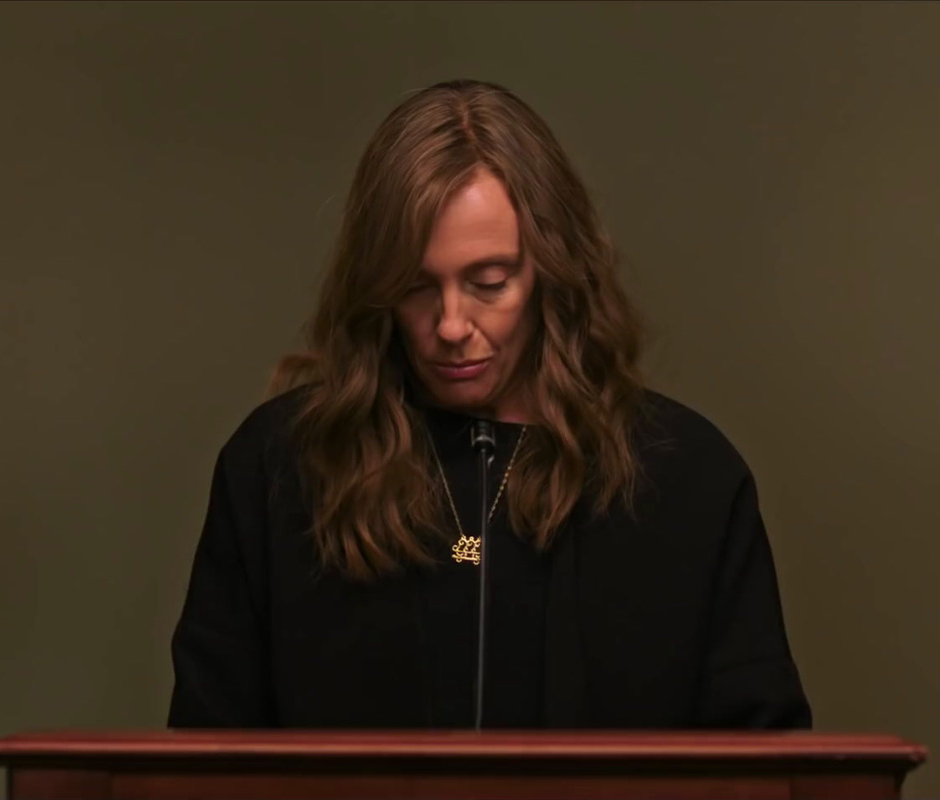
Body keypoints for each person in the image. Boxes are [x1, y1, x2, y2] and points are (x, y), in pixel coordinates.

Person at [167, 79, 811, 729]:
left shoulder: (688, 475)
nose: (451, 325)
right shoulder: (276, 466)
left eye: (489, 283)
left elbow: (765, 760)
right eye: (417, 287)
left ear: (552, 273)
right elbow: (202, 754)